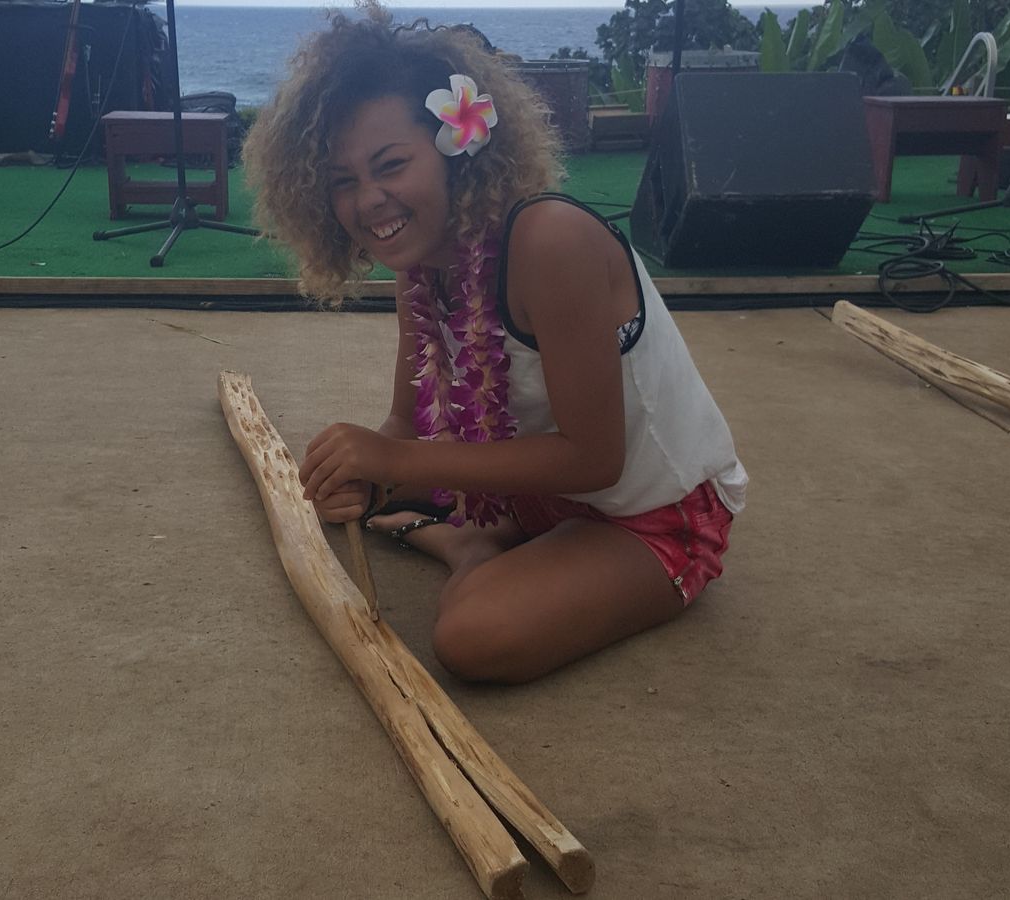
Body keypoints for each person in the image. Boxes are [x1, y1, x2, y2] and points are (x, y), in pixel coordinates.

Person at [242, 2, 747, 685]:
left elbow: (595, 459)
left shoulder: (550, 241)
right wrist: (364, 478)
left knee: (472, 637)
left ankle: (471, 547)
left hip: (652, 512)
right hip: (540, 497)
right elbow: (405, 428)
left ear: (457, 149)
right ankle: (482, 539)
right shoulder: (420, 268)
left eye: (391, 165)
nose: (369, 200)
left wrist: (395, 462)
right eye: (343, 182)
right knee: (363, 489)